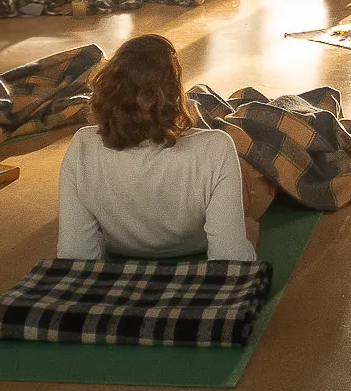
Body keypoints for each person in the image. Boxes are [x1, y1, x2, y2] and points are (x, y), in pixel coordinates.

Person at [57, 36, 272, 263]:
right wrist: (248, 238)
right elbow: (230, 259)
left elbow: (75, 254)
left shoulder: (82, 145)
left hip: (122, 247)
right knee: (254, 160)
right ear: (174, 95)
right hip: (199, 236)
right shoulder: (217, 147)